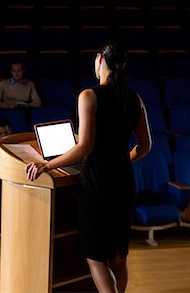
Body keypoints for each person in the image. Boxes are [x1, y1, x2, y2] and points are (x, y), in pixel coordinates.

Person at [25, 40, 152, 293]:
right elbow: (145, 146)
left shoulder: (89, 95)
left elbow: (84, 147)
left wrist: (47, 165)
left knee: (95, 256)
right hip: (124, 180)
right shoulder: (134, 98)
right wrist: (120, 160)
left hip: (97, 182)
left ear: (101, 60)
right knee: (118, 256)